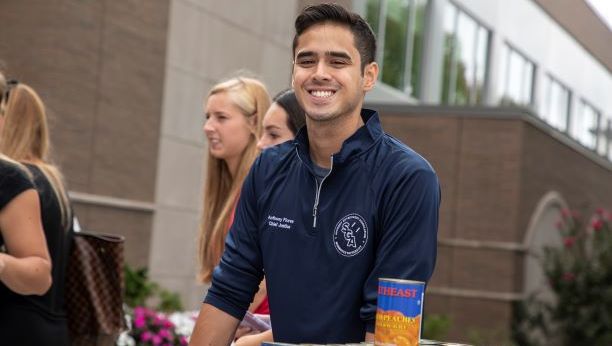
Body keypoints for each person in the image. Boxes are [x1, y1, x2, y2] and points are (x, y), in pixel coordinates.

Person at [190, 3, 440, 344]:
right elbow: (228, 290)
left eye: (338, 61)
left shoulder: (407, 178)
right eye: (307, 61)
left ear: (368, 76)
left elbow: (389, 328)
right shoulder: (267, 169)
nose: (319, 72)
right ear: (294, 74)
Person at [0, 79, 72, 345]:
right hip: (51, 324)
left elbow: (39, 269)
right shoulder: (54, 181)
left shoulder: (15, 179)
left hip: (15, 325)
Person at [236, 90, 305, 346]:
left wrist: (253, 340)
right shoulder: (269, 195)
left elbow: (320, 311)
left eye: (273, 134)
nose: (260, 143)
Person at [198, 77, 270, 313]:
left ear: (254, 122)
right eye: (208, 117)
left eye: (221, 117)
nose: (208, 127)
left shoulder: (263, 187)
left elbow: (271, 274)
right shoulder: (230, 191)